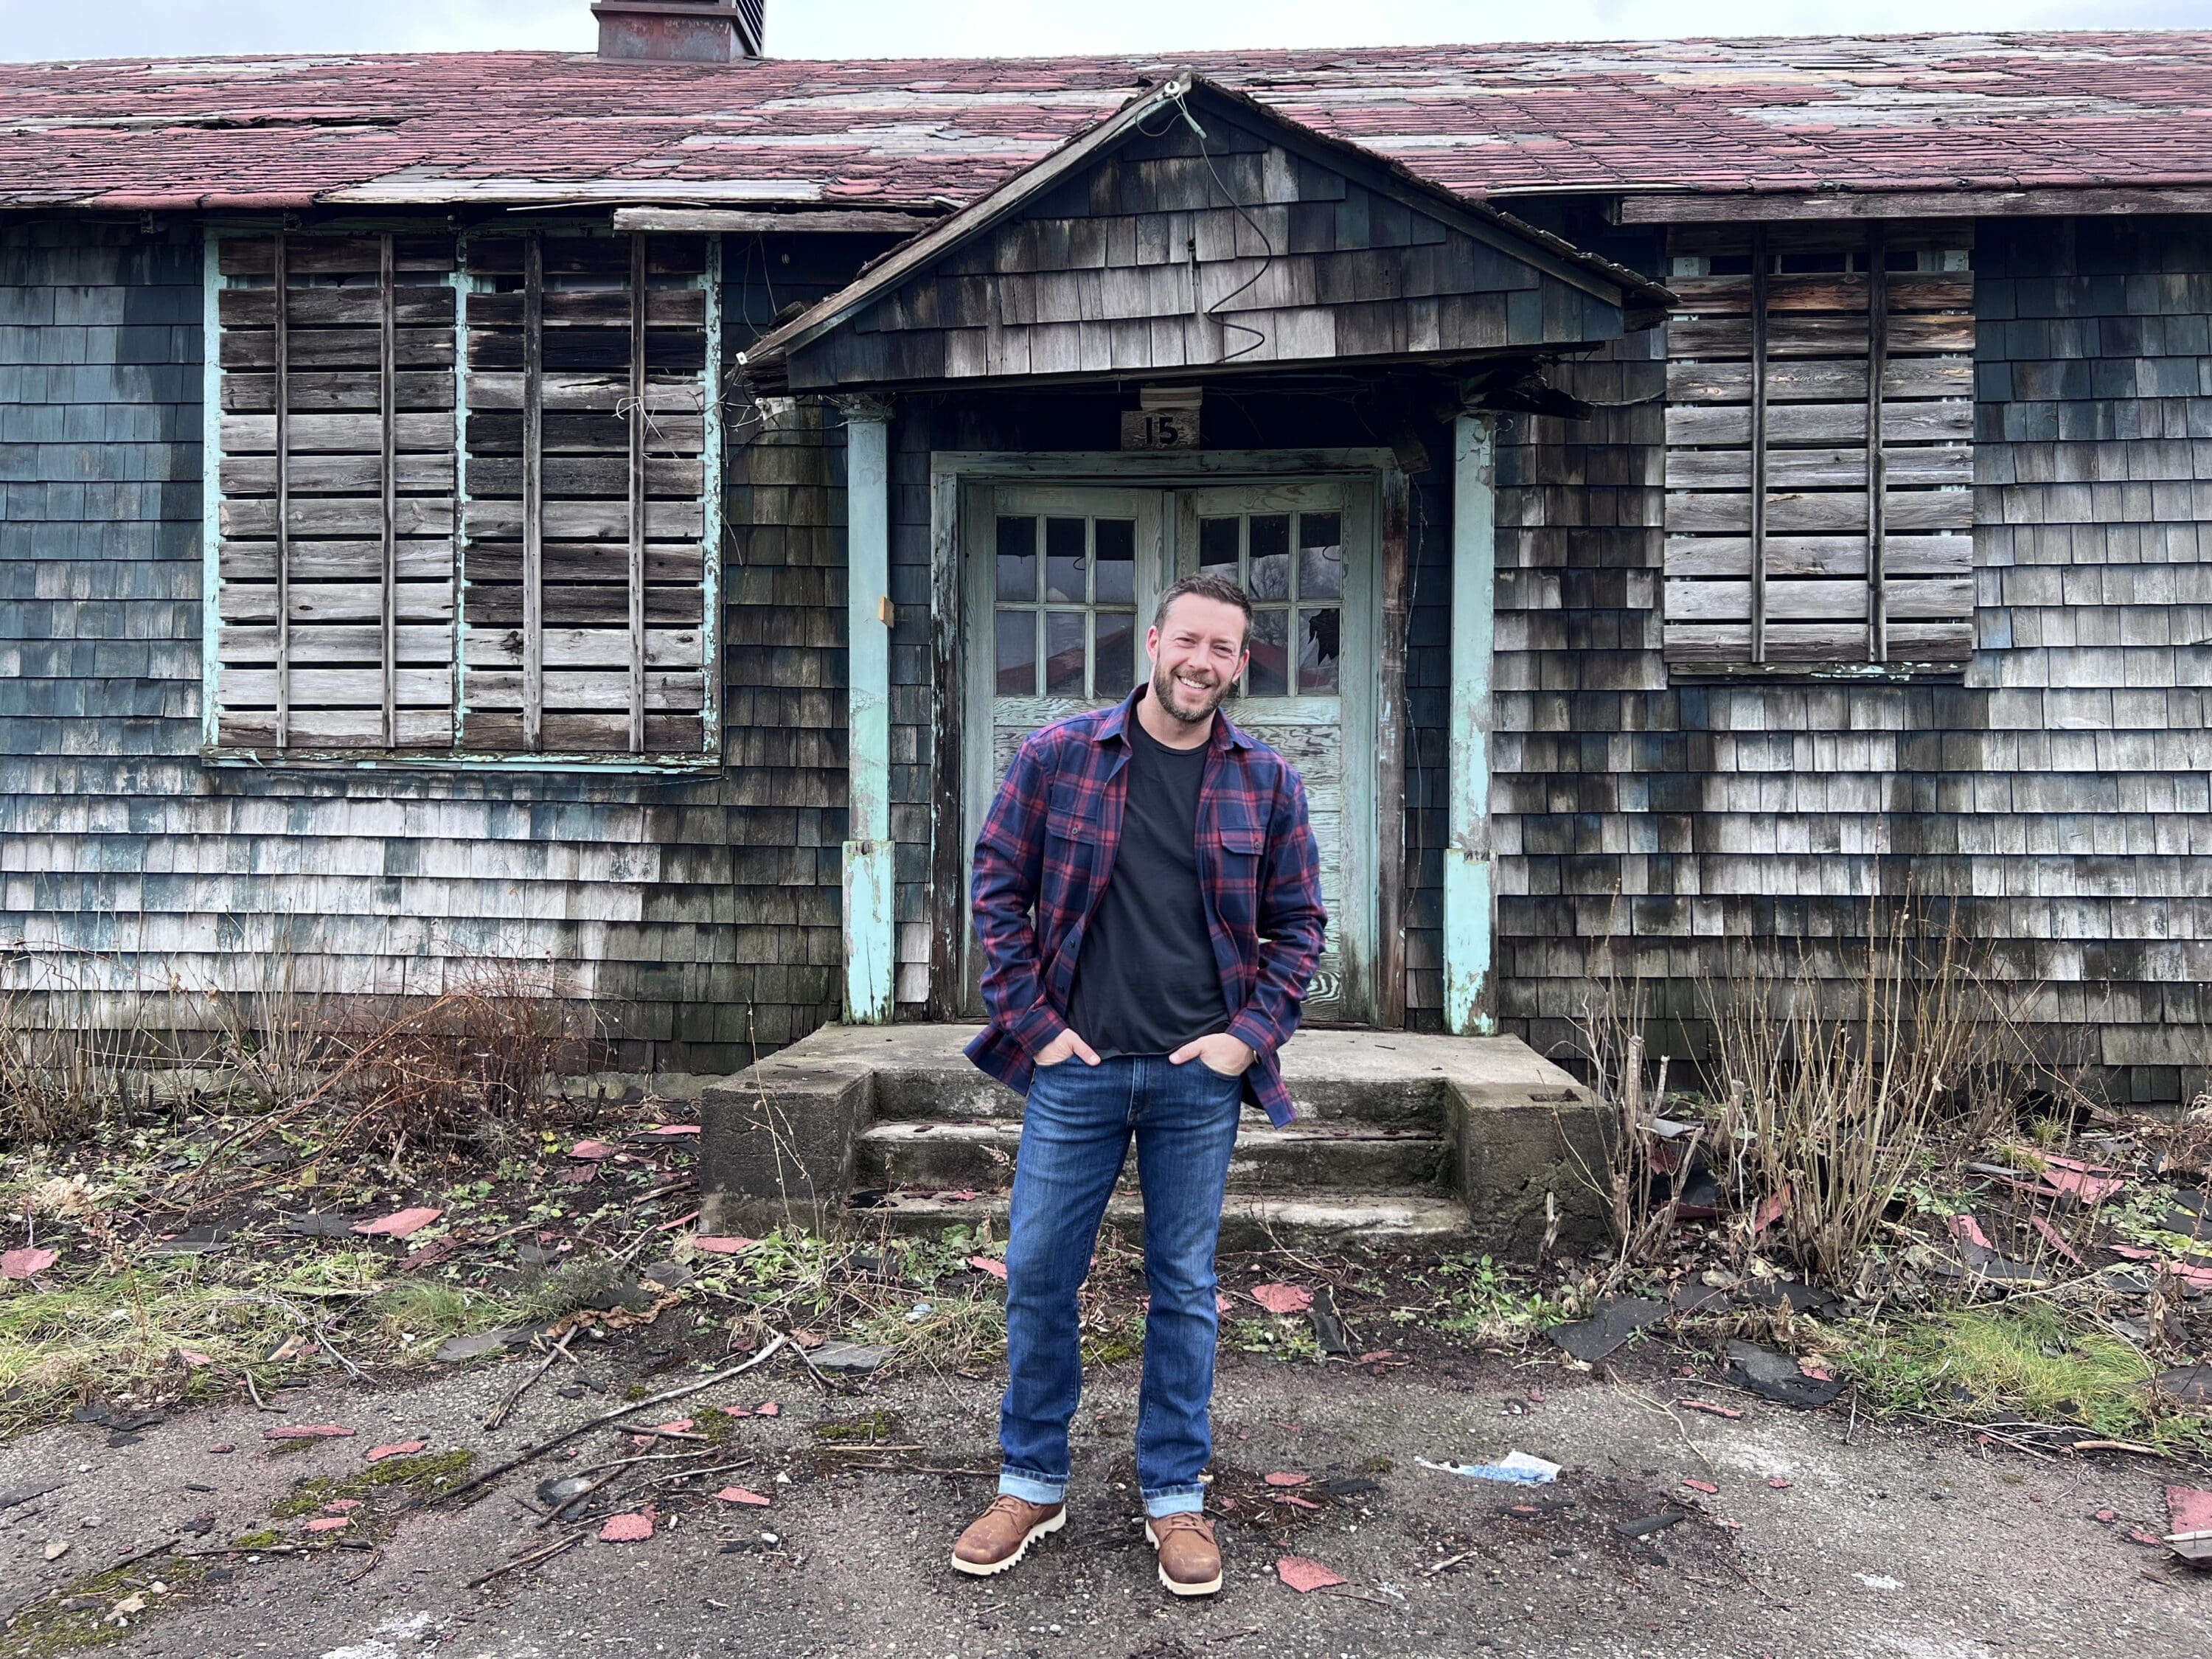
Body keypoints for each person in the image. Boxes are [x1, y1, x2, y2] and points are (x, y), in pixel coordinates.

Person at [950, 570, 1326, 1598]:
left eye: (1223, 649)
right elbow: (997, 887)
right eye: (1188, 640)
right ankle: (1032, 1482)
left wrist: (1246, 1040)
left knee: (1185, 1290)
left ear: (1238, 666)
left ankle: (1174, 1495)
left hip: (1194, 1081)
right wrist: (1035, 1026)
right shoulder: (1060, 755)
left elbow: (1299, 927)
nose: (1202, 662)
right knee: (1038, 1274)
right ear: (1154, 643)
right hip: (1078, 1071)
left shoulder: (1267, 783)